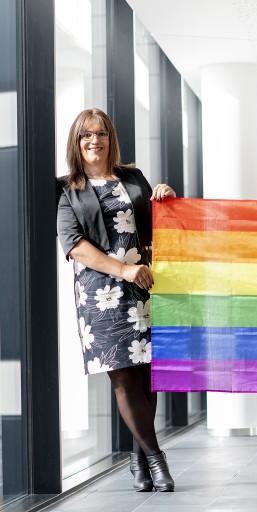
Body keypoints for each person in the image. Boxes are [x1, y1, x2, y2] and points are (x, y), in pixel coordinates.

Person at [56, 108, 176, 492]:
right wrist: (122, 270)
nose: (94, 141)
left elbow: (155, 224)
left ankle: (138, 455)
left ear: (111, 139)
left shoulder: (133, 177)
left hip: (145, 286)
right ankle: (156, 459)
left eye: (101, 134)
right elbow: (74, 245)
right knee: (123, 376)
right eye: (85, 135)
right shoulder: (66, 188)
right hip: (101, 292)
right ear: (76, 143)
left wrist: (166, 200)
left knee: (147, 377)